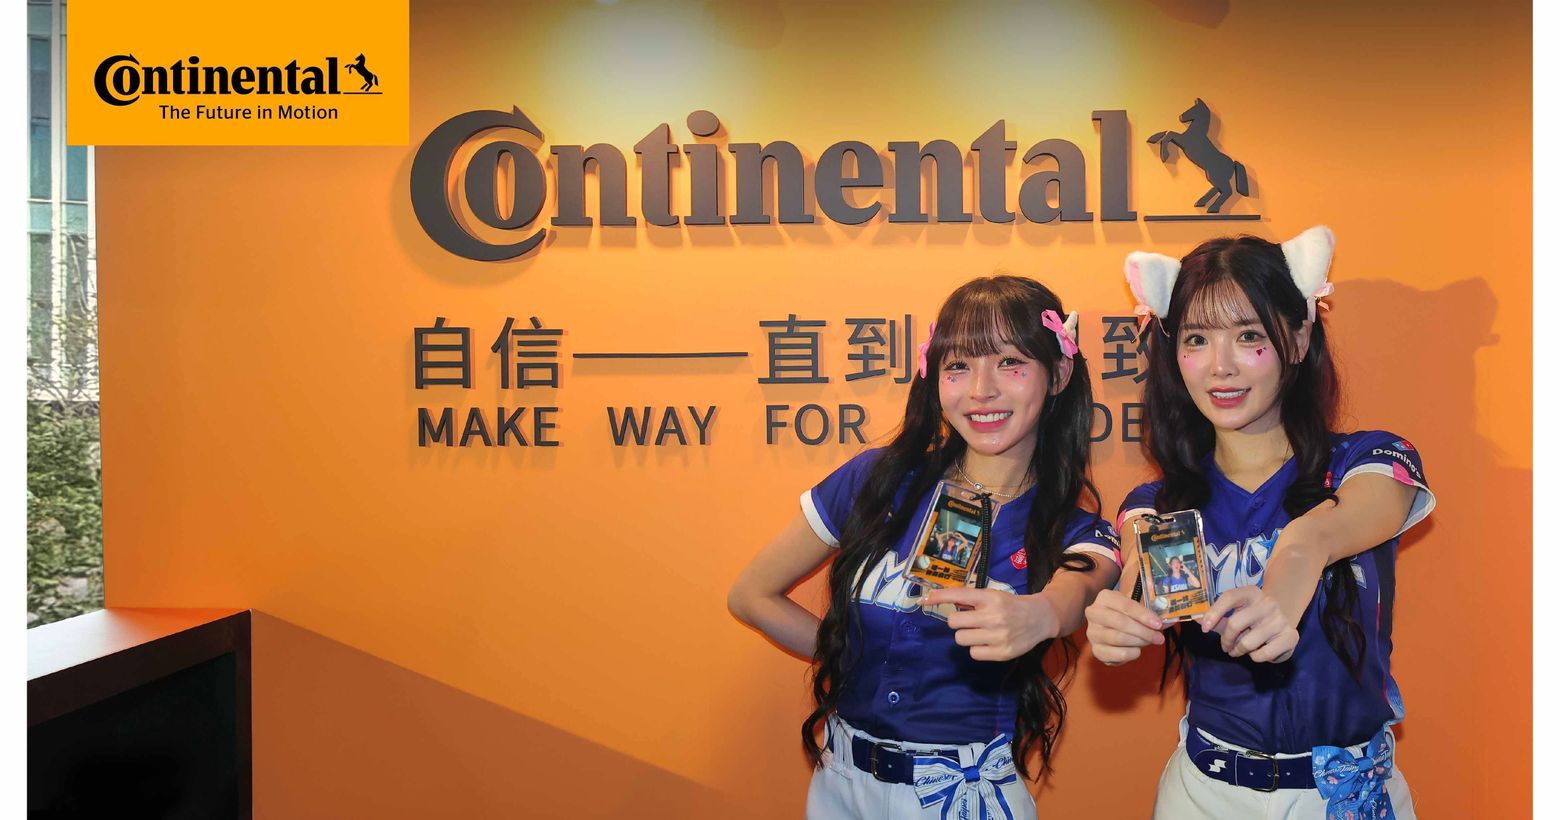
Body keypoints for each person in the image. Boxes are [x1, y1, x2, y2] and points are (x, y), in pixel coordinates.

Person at [729, 275, 1122, 820]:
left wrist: (1042, 614)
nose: (980, 389)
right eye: (958, 366)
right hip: (839, 783)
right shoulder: (879, 480)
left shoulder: (1076, 530)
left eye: (1010, 362)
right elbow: (750, 595)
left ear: (1057, 374)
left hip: (962, 796)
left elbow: (1080, 586)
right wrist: (850, 651)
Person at [1084, 227, 1434, 819]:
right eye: (1197, 339)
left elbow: (1338, 525)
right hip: (1204, 796)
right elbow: (1135, 584)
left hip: (1347, 796)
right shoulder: (1158, 505)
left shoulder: (1367, 462)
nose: (1221, 367)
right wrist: (1116, 625)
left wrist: (1296, 557)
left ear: (1297, 338)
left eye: (1249, 335)